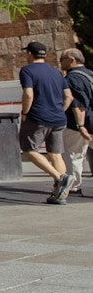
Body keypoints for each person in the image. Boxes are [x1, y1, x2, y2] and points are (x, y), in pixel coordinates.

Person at [18, 41, 74, 205]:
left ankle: (60, 178)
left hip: (37, 117)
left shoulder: (27, 71)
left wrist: (25, 113)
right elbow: (69, 96)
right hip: (58, 118)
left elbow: (28, 94)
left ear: (29, 54)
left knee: (28, 150)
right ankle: (60, 193)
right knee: (55, 154)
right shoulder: (56, 72)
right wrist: (60, 110)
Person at [59, 48, 93, 196]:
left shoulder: (72, 79)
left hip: (78, 124)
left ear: (72, 60)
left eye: (62, 60)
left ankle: (73, 186)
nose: (60, 63)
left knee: (74, 155)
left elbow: (78, 104)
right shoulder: (90, 74)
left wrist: (80, 125)